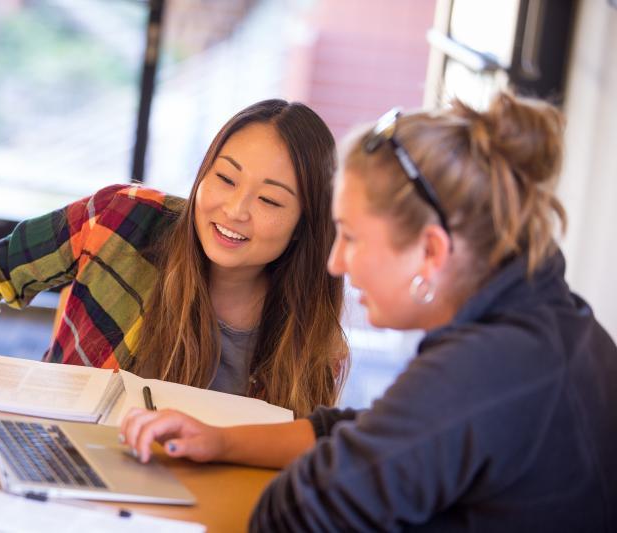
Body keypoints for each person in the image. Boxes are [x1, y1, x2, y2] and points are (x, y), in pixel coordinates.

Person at [120, 91, 617, 531]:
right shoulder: (553, 320)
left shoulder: (487, 370)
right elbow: (368, 433)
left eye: (352, 238)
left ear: (431, 252)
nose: (336, 262)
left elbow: (301, 512)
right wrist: (223, 442)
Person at [0, 99, 348, 416]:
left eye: (271, 200)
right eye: (225, 177)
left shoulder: (313, 341)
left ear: (308, 224)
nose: (235, 210)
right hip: (53, 462)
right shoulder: (123, 219)